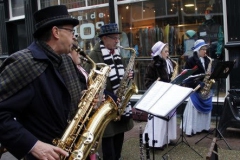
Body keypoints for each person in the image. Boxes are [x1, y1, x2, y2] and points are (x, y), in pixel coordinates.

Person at [0, 5, 87, 160]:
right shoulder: (23, 62)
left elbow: (65, 102)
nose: (74, 37)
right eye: (71, 31)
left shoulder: (66, 60)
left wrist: (84, 99)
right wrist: (33, 145)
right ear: (56, 32)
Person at [84, 23, 134, 160]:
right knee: (109, 150)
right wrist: (108, 95)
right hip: (105, 108)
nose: (117, 41)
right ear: (104, 38)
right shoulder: (94, 55)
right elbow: (89, 82)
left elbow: (123, 74)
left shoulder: (117, 53)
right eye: (114, 38)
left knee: (118, 145)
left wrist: (130, 76)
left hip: (119, 107)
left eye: (118, 38)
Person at [143, 41, 177, 150]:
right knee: (158, 121)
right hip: (158, 97)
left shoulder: (169, 63)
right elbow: (147, 82)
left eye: (168, 51)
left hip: (168, 94)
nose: (168, 54)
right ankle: (155, 143)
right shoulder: (153, 65)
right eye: (165, 52)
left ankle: (165, 139)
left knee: (167, 118)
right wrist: (158, 86)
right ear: (159, 53)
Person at [181, 39, 213, 136]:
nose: (205, 51)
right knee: (194, 111)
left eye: (205, 49)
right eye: (203, 49)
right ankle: (192, 129)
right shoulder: (190, 61)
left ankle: (204, 127)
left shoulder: (208, 60)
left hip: (205, 89)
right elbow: (187, 77)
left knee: (205, 110)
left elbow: (210, 72)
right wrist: (198, 83)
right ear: (198, 50)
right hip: (195, 89)